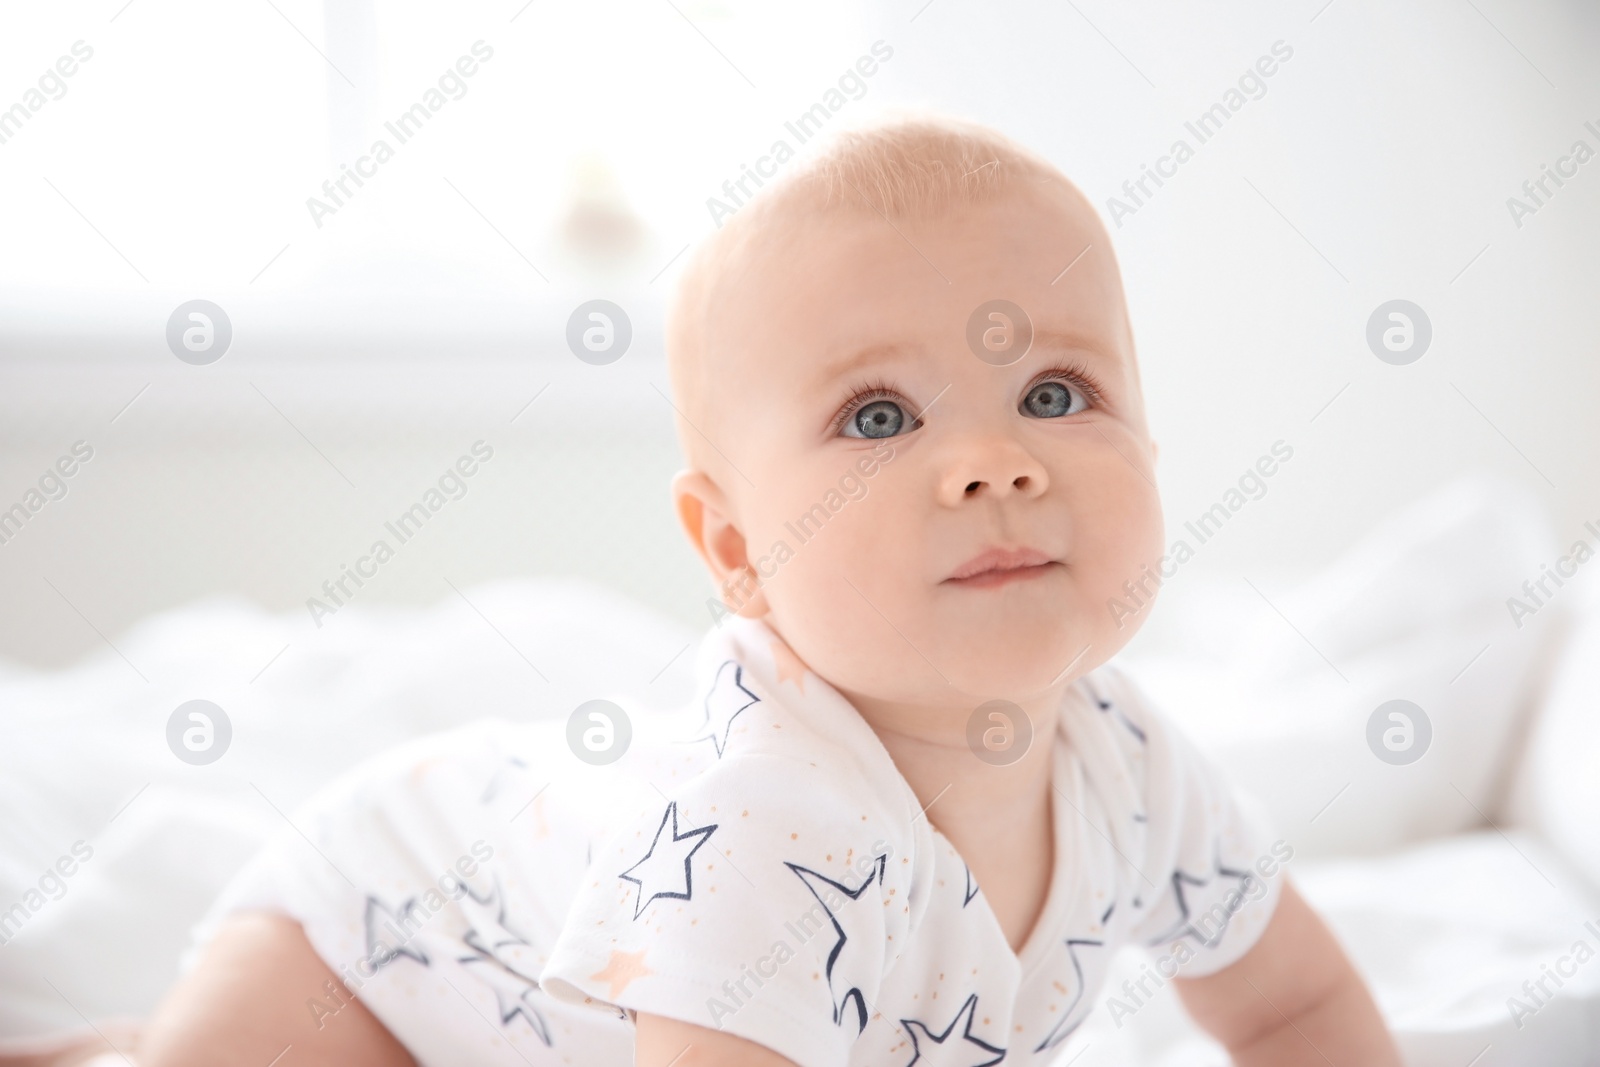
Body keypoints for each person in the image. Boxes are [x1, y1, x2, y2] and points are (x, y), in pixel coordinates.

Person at [137, 114, 1400, 1066]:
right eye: (880, 414)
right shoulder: (762, 826)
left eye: (1055, 395)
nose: (994, 464)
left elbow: (1293, 1005)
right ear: (734, 549)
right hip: (375, 938)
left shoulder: (1137, 774)